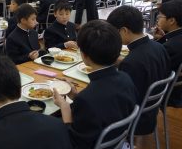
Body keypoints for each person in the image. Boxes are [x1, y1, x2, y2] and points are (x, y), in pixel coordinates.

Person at [54, 20, 138, 149]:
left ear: (84, 55)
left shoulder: (87, 98)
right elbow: (104, 108)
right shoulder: (126, 78)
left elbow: (75, 143)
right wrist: (75, 96)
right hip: (119, 142)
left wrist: (65, 108)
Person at [107, 5, 170, 135]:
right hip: (151, 111)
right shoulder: (159, 47)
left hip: (135, 120)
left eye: (114, 32)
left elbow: (123, 102)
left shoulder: (132, 62)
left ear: (124, 30)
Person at [153, 0, 182, 107]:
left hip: (166, 93)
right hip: (180, 90)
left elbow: (153, 68)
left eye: (160, 16)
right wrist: (163, 38)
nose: (157, 18)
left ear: (171, 20)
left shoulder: (170, 47)